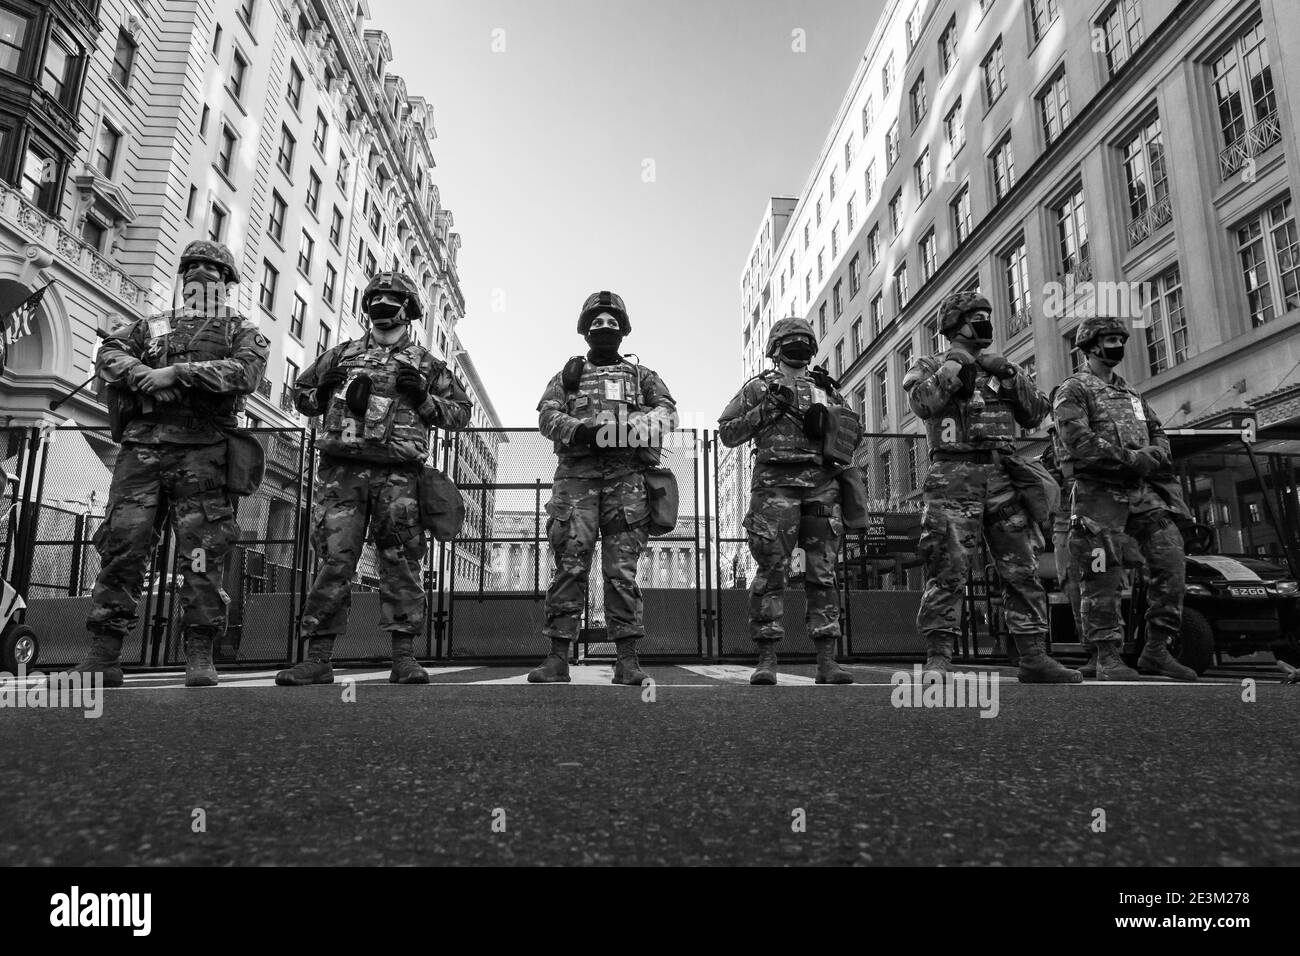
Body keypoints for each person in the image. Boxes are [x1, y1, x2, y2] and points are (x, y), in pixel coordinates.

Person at [74, 240, 269, 687]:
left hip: (203, 456)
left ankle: (199, 653)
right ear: (182, 277)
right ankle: (103, 654)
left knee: (200, 554)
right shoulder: (153, 325)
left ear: (227, 283)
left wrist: (176, 375)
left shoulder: (240, 329)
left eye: (212, 269)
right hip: (142, 453)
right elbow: (109, 352)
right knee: (123, 548)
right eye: (192, 267)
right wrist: (140, 374)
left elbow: (246, 373)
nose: (200, 274)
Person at [277, 271, 472, 686]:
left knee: (400, 564)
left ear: (408, 309)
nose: (383, 304)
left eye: (392, 298)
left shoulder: (425, 363)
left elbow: (460, 414)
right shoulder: (341, 355)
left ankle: (403, 658)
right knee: (333, 561)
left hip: (398, 476)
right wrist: (320, 393)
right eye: (376, 297)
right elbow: (302, 397)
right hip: (342, 474)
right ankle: (318, 659)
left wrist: (424, 398)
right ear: (366, 306)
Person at [903, 291, 1080, 683]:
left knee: (1021, 567)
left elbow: (1036, 413)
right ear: (953, 325)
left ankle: (1033, 655)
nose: (984, 321)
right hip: (953, 476)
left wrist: (1011, 374)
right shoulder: (929, 365)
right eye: (975, 316)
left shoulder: (1004, 368)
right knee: (948, 569)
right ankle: (939, 657)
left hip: (1002, 476)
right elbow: (922, 403)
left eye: (987, 314)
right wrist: (952, 367)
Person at [528, 291, 677, 685]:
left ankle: (627, 661)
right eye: (597, 322)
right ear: (585, 330)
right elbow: (546, 414)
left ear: (624, 331)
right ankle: (557, 658)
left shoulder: (642, 376)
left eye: (612, 323)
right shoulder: (567, 375)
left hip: (625, 479)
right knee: (570, 566)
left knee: (621, 571)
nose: (604, 328)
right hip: (576, 479)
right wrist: (579, 431)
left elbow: (668, 414)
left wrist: (628, 430)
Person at [1052, 317, 1197, 681]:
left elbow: (1157, 430)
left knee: (1171, 558)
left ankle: (1157, 649)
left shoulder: (1131, 393)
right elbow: (1077, 441)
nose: (1117, 344)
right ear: (1090, 346)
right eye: (1109, 339)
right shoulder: (1073, 389)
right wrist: (1130, 458)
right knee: (1101, 572)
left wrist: (1156, 454)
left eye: (1120, 338)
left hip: (1139, 493)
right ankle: (1107, 655)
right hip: (1096, 493)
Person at [717, 317, 859, 685]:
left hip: (821, 486)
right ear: (776, 348)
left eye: (805, 341)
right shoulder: (758, 388)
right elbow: (728, 433)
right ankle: (767, 659)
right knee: (771, 571)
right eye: (792, 340)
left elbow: (851, 434)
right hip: (775, 487)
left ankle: (827, 661)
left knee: (823, 574)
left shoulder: (827, 388)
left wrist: (831, 424)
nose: (800, 346)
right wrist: (768, 408)